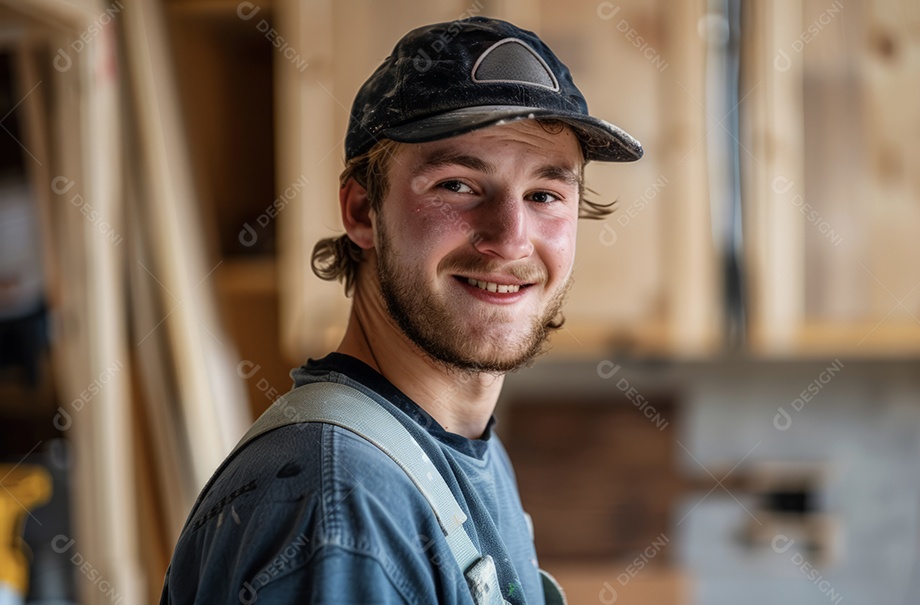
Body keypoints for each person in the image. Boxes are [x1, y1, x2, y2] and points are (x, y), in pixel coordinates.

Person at [160, 16, 642, 604]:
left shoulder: (454, 452)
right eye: (459, 186)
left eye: (544, 195)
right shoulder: (341, 515)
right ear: (363, 211)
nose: (511, 240)